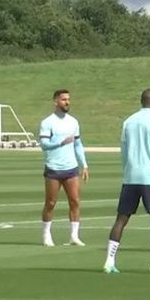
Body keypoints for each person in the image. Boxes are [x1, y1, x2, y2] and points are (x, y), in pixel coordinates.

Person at [103, 89, 150, 274]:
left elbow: (124, 150)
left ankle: (109, 260)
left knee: (121, 218)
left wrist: (127, 171)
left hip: (131, 176)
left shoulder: (128, 122)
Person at [39, 89, 89, 247]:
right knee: (51, 202)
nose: (67, 102)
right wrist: (60, 142)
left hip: (71, 167)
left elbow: (78, 144)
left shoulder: (73, 122)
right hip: (54, 168)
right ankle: (47, 234)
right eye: (63, 99)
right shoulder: (48, 122)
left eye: (68, 99)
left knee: (75, 201)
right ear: (56, 102)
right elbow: (44, 144)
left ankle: (74, 236)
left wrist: (84, 165)